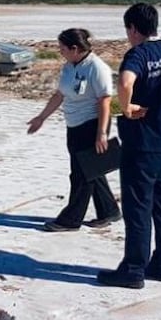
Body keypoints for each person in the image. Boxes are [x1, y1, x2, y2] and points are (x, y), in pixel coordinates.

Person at [97, 3, 161, 289]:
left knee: (138, 207)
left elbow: (125, 83)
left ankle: (134, 269)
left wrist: (126, 108)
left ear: (133, 28)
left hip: (143, 143)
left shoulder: (138, 54)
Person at [27, 28, 121, 232]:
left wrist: (102, 133)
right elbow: (59, 95)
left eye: (62, 48)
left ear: (75, 48)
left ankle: (70, 219)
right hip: (73, 125)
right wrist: (41, 117)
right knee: (92, 170)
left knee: (81, 175)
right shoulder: (69, 66)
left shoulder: (97, 67)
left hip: (91, 125)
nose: (59, 51)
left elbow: (105, 101)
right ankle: (109, 211)